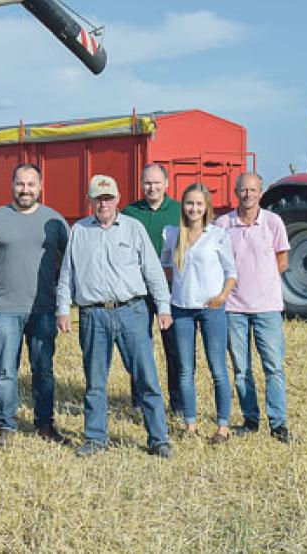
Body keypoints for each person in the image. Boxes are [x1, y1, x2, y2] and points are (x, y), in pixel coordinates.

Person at [56, 175, 173, 458]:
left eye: (108, 198)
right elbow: (67, 274)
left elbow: (153, 270)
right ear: (90, 201)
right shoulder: (79, 231)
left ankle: (158, 438)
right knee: (95, 381)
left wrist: (164, 306)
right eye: (97, 198)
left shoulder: (134, 229)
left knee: (146, 378)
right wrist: (62, 308)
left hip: (131, 311)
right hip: (93, 315)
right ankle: (95, 438)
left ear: (117, 200)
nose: (103, 204)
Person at [0, 163, 69, 447]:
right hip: (4, 309)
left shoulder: (55, 220)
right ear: (11, 185)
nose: (25, 190)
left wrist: (61, 298)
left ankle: (45, 424)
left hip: (43, 310)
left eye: (31, 185)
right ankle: (6, 425)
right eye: (20, 184)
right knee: (5, 370)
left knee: (43, 369)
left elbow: (70, 260)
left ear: (40, 187)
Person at [215, 172, 292, 443]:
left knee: (273, 367)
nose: (248, 194)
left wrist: (262, 283)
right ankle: (250, 419)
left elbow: (282, 260)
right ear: (236, 192)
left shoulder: (273, 222)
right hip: (234, 308)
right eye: (243, 190)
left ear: (261, 193)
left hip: (267, 307)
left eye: (253, 190)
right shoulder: (223, 224)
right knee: (240, 369)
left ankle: (278, 423)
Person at [161, 182, 237, 444]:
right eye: (189, 203)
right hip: (181, 309)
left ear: (207, 208)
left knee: (217, 368)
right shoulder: (172, 234)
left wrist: (222, 297)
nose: (193, 208)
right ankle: (190, 424)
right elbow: (166, 267)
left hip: (210, 310)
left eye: (198, 204)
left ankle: (222, 427)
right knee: (185, 369)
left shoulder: (217, 235)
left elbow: (232, 273)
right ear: (183, 206)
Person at [122, 163, 184, 417]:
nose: (152, 188)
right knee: (139, 346)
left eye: (157, 183)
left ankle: (178, 403)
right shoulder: (130, 212)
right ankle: (139, 400)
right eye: (147, 183)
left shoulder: (179, 211)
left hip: (172, 289)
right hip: (138, 290)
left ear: (167, 184)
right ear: (141, 184)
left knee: (175, 347)